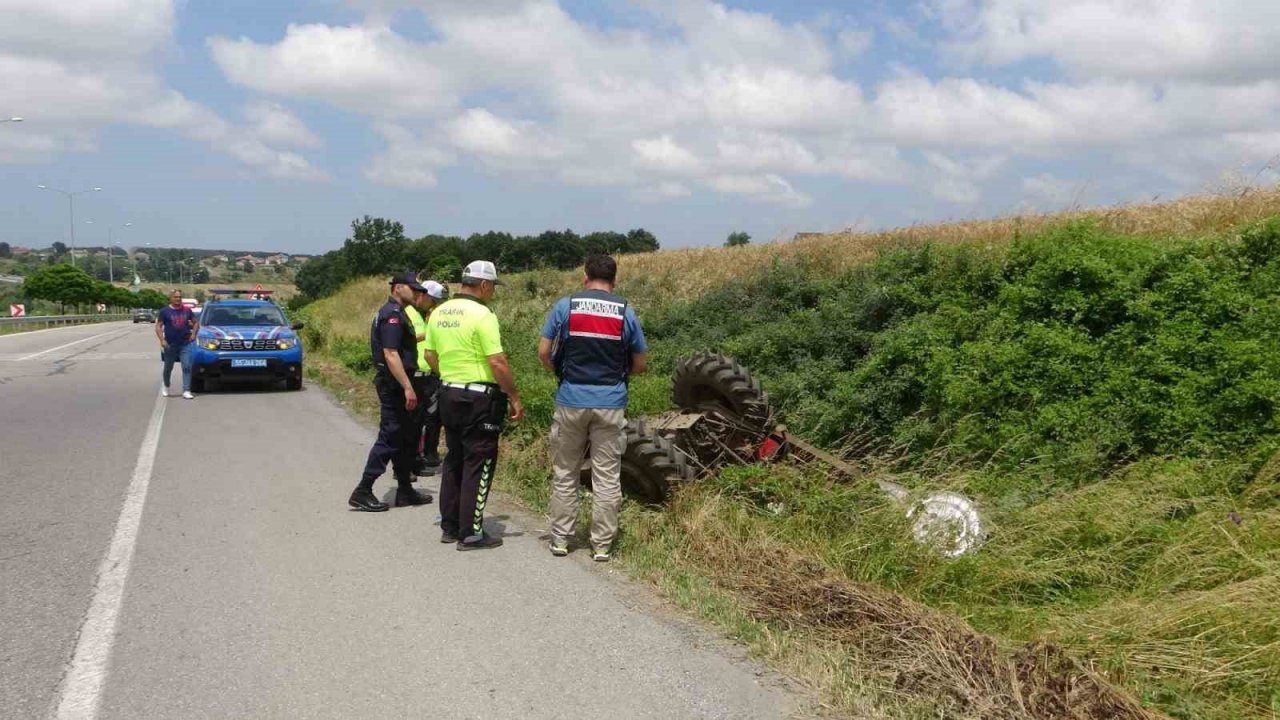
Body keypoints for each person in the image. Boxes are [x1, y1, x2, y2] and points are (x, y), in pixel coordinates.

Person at [538, 254, 648, 562]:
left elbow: (544, 351)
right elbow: (640, 364)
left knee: (565, 472)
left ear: (585, 277)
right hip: (610, 403)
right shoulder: (626, 312)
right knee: (607, 475)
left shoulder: (566, 306)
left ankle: (560, 539)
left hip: (571, 400)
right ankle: (601, 545)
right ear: (614, 281)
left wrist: (561, 373)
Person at [423, 260, 524, 550]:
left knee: (454, 457)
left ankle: (450, 525)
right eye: (493, 286)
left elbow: (430, 354)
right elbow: (497, 361)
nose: (493, 292)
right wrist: (514, 396)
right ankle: (471, 532)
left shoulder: (439, 312)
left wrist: (450, 376)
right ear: (483, 284)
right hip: (479, 398)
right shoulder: (483, 314)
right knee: (478, 462)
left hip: (448, 393)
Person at [348, 273, 434, 513]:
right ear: (398, 288)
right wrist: (407, 386)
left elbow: (403, 344)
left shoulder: (399, 313)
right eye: (413, 288)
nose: (418, 293)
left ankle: (405, 489)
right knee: (391, 435)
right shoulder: (392, 315)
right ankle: (363, 489)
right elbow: (391, 353)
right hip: (394, 385)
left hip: (400, 383)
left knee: (406, 436)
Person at [403, 279, 449, 476]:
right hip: (417, 374)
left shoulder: (422, 314)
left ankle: (421, 457)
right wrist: (431, 330)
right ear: (423, 295)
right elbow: (409, 337)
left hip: (426, 373)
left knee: (429, 417)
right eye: (433, 301)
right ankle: (409, 463)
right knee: (416, 420)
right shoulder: (410, 313)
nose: (435, 305)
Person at [155, 289, 199, 399]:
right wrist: (162, 340)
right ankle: (166, 386)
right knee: (168, 368)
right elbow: (158, 326)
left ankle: (186, 390)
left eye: (179, 297)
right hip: (170, 345)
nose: (178, 299)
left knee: (187, 367)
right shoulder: (164, 311)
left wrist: (194, 334)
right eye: (175, 297)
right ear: (171, 298)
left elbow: (196, 323)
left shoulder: (187, 310)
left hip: (185, 343)